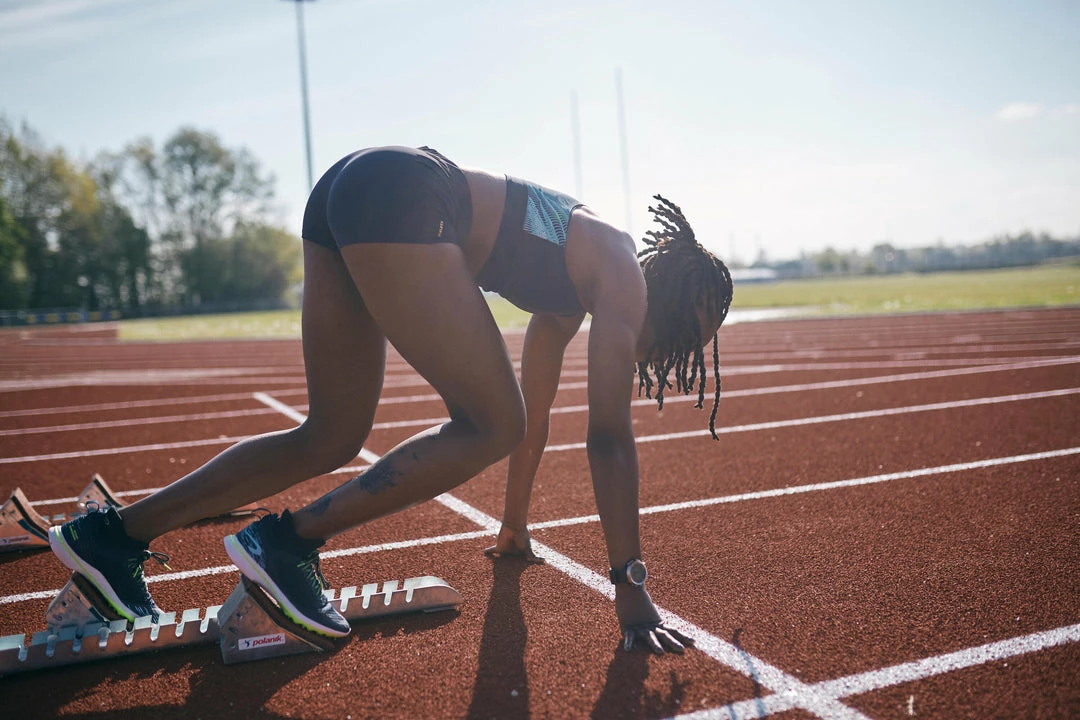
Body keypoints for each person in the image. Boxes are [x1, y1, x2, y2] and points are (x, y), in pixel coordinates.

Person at [49, 145, 733, 654]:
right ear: (670, 300)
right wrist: (631, 583)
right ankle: (287, 542)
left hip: (355, 188)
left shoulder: (575, 291)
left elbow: (535, 419)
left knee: (332, 433)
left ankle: (112, 537)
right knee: (488, 421)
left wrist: (515, 524)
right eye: (686, 337)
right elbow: (607, 437)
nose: (677, 357)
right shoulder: (620, 276)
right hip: (409, 199)